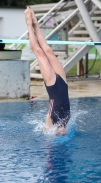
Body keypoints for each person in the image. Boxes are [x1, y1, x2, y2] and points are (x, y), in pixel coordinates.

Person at [24, 7, 70, 135]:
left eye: (61, 132)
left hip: (53, 85)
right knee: (48, 51)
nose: (63, 131)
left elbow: (49, 138)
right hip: (63, 83)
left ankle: (29, 24)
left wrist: (49, 130)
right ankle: (36, 24)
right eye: (63, 132)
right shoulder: (65, 121)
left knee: (39, 53)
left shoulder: (51, 120)